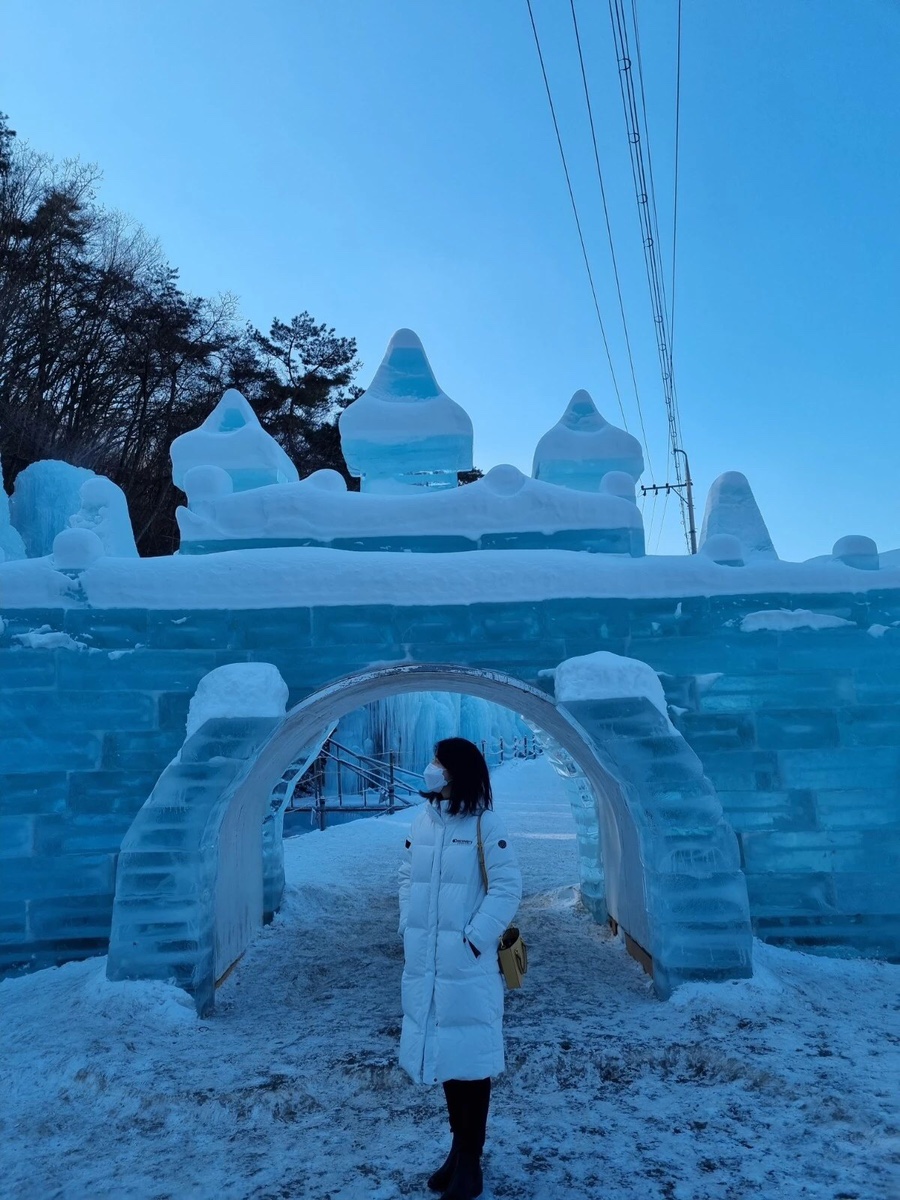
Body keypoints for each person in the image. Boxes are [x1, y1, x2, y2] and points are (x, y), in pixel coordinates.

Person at [398, 737, 523, 1200]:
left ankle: (471, 1161)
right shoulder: (424, 821)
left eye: (438, 762)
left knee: (472, 1063)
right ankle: (457, 1149)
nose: (431, 768)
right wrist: (406, 924)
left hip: (467, 966)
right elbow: (406, 876)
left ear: (457, 772)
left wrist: (473, 940)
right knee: (450, 1057)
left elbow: (508, 888)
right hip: (428, 965)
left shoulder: (486, 824)